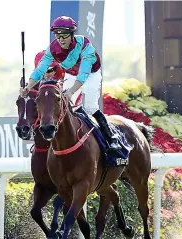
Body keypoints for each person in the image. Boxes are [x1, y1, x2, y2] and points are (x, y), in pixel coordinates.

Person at [20, 16, 121, 152]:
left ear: (72, 35)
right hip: (71, 74)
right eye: (57, 36)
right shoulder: (53, 48)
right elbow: (40, 69)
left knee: (90, 107)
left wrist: (72, 91)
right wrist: (28, 87)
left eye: (64, 36)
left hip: (91, 74)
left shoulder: (84, 45)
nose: (61, 40)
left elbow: (83, 74)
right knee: (63, 105)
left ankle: (111, 138)